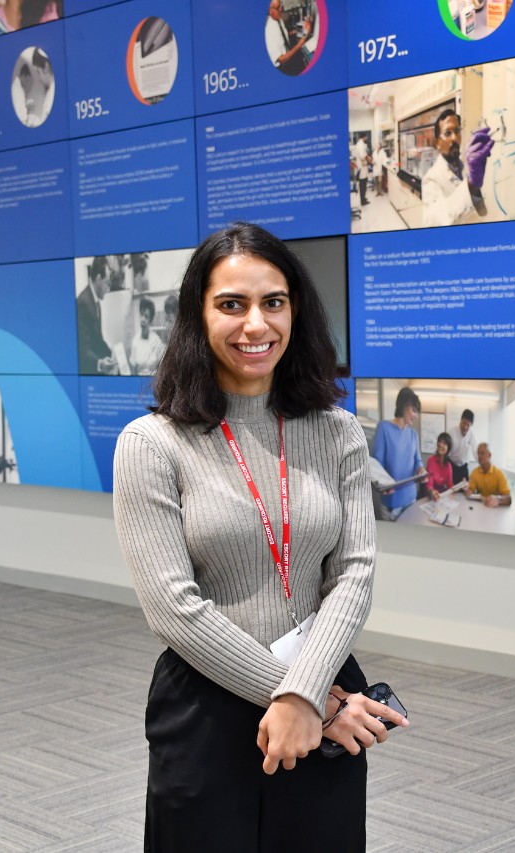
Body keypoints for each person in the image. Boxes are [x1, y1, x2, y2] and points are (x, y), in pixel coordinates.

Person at [113, 222, 406, 851]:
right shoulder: (151, 443)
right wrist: (309, 702)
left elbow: (354, 575)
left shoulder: (338, 432)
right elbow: (173, 607)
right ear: (199, 315)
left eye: (273, 302)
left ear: (295, 311)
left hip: (323, 681)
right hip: (208, 703)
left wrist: (308, 693)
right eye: (231, 305)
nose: (256, 325)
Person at [421, 108, 493, 228]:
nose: (455, 138)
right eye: (447, 133)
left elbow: (482, 213)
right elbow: (434, 221)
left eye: (457, 130)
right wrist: (471, 184)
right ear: (437, 143)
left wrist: (476, 188)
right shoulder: (431, 179)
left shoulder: (466, 168)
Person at [373, 386, 425, 519]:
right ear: (404, 406)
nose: (416, 416)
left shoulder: (413, 434)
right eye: (414, 410)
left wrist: (421, 471)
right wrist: (382, 483)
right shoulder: (384, 428)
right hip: (392, 501)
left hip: (411, 498)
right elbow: (377, 464)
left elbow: (418, 461)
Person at [77, 256, 117, 375]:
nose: (108, 289)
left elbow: (98, 338)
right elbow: (82, 349)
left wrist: (112, 355)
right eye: (107, 283)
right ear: (99, 278)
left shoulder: (95, 301)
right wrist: (100, 363)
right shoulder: (83, 303)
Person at [265, 0, 313, 76]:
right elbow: (281, 60)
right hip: (283, 66)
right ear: (270, 11)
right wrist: (299, 45)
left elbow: (282, 34)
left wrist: (297, 31)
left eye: (280, 5)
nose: (281, 9)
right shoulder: (268, 31)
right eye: (278, 8)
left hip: (288, 52)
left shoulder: (277, 17)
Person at [465, 442, 511, 507]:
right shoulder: (474, 472)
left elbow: (509, 498)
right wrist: (468, 491)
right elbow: (471, 489)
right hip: (482, 508)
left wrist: (498, 500)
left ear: (489, 455)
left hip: (497, 510)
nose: (479, 456)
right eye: (478, 453)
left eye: (482, 453)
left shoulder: (499, 473)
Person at [128, 296, 165, 375]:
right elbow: (133, 368)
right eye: (141, 315)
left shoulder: (156, 340)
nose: (143, 319)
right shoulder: (135, 340)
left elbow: (163, 366)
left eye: (146, 316)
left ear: (150, 320)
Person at [448, 408, 478, 484]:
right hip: (452, 466)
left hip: (464, 467)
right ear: (460, 420)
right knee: (451, 490)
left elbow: (475, 450)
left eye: (468, 425)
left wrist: (482, 463)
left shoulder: (472, 434)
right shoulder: (451, 432)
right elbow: (446, 450)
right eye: (464, 423)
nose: (465, 427)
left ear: (471, 425)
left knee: (465, 490)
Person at [425, 432, 454, 501]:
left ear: (448, 448)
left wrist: (458, 487)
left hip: (442, 495)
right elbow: (429, 484)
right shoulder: (431, 461)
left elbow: (450, 484)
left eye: (444, 443)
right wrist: (432, 492)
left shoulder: (448, 465)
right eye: (439, 442)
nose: (441, 445)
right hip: (430, 495)